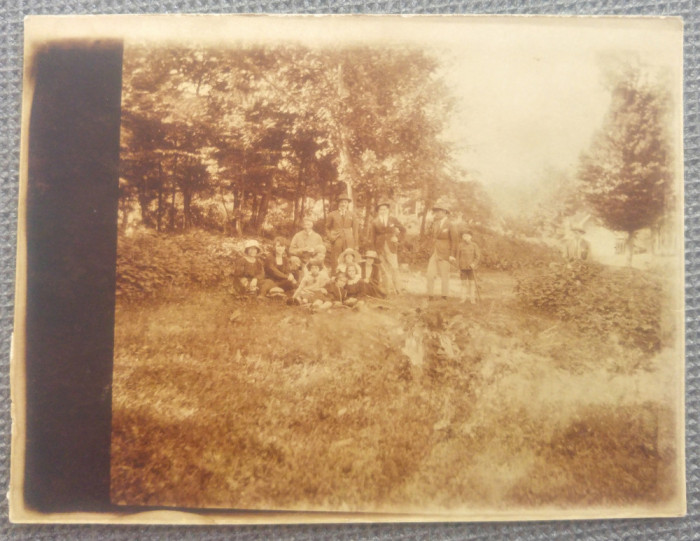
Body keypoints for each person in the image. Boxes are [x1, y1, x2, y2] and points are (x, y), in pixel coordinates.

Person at [369, 201, 406, 295]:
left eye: (385, 209)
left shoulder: (393, 219)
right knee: (384, 269)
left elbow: (403, 230)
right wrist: (373, 250)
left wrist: (398, 239)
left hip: (391, 246)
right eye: (381, 209)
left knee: (394, 267)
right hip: (379, 247)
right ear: (378, 211)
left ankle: (399, 289)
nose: (383, 211)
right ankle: (387, 290)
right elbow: (372, 237)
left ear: (388, 210)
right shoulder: (374, 222)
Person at [426, 201, 459, 300]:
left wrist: (452, 255)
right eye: (435, 211)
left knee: (444, 275)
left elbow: (455, 241)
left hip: (445, 253)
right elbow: (431, 235)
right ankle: (430, 296)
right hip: (435, 252)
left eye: (438, 211)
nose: (436, 213)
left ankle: (444, 296)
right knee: (429, 274)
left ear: (444, 212)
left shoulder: (450, 224)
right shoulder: (434, 223)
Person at [326, 195, 359, 272]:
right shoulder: (332, 214)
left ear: (347, 204)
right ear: (338, 203)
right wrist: (330, 237)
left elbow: (355, 231)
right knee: (336, 258)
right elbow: (327, 227)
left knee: (349, 257)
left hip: (349, 239)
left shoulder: (352, 215)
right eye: (341, 202)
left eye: (345, 202)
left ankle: (349, 276)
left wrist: (356, 244)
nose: (343, 204)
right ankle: (336, 276)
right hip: (336, 239)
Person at [456, 229, 481, 304]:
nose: (465, 237)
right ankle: (463, 299)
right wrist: (458, 268)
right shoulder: (460, 245)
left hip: (471, 268)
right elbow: (457, 257)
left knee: (472, 283)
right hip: (462, 267)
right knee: (463, 283)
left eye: (467, 236)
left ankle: (472, 299)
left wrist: (474, 264)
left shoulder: (474, 245)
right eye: (464, 236)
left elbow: (477, 256)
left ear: (470, 237)